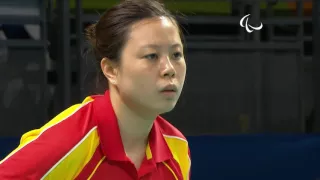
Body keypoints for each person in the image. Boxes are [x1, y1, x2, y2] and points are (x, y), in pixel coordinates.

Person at [0, 0, 191, 179]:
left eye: (176, 54)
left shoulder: (177, 148)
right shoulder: (70, 139)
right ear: (110, 70)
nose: (169, 69)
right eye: (151, 56)